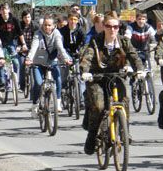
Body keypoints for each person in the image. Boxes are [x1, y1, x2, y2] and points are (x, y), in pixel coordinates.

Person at [79, 11, 143, 154]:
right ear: (104, 26)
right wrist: (85, 71)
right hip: (97, 77)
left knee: (124, 102)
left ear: (119, 27)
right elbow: (87, 57)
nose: (112, 30)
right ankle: (92, 135)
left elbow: (134, 56)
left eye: (115, 27)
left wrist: (139, 70)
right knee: (99, 106)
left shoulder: (124, 41)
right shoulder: (96, 41)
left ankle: (125, 131)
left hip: (116, 76)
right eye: (109, 26)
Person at [24, 16, 73, 115]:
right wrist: (29, 59)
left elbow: (60, 47)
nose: (47, 27)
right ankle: (35, 104)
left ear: (54, 25)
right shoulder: (38, 34)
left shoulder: (57, 34)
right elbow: (34, 47)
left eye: (49, 25)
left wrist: (66, 59)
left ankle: (58, 102)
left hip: (52, 62)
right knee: (38, 83)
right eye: (45, 25)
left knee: (58, 79)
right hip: (38, 63)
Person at [0, 3, 25, 92]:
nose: (4, 11)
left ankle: (14, 78)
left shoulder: (14, 20)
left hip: (12, 43)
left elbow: (20, 33)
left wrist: (23, 44)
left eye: (6, 9)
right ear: (0, 11)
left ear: (9, 10)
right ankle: (2, 83)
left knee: (16, 62)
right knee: (1, 62)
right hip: (0, 44)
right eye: (2, 9)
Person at [59, 11, 86, 92]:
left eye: (75, 19)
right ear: (68, 20)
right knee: (64, 72)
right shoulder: (62, 30)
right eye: (71, 19)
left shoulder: (81, 30)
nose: (73, 21)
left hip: (77, 53)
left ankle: (80, 99)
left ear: (77, 20)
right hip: (66, 53)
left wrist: (80, 50)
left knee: (79, 75)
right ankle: (63, 89)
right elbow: (59, 43)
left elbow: (85, 42)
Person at [19, 9, 39, 93]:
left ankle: (35, 86)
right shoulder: (19, 26)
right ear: (22, 18)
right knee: (22, 65)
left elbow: (38, 38)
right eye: (25, 17)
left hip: (32, 48)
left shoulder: (35, 26)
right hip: (22, 49)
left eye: (28, 17)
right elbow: (16, 37)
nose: (27, 19)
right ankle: (22, 86)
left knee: (35, 66)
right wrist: (19, 46)